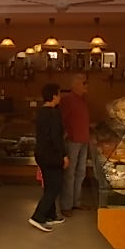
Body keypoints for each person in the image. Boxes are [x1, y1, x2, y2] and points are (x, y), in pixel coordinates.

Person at [29, 83, 69, 232]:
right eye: (59, 94)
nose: (60, 97)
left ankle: (51, 215)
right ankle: (38, 216)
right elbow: (56, 137)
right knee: (55, 186)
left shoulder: (41, 112)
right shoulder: (53, 113)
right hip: (51, 155)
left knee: (49, 185)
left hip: (41, 154)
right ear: (53, 96)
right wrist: (64, 155)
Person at [59, 73, 90, 216]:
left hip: (84, 140)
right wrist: (67, 135)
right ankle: (66, 205)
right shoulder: (67, 99)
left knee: (81, 173)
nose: (86, 85)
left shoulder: (82, 100)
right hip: (73, 140)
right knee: (69, 174)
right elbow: (63, 119)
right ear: (75, 85)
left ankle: (76, 202)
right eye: (84, 83)